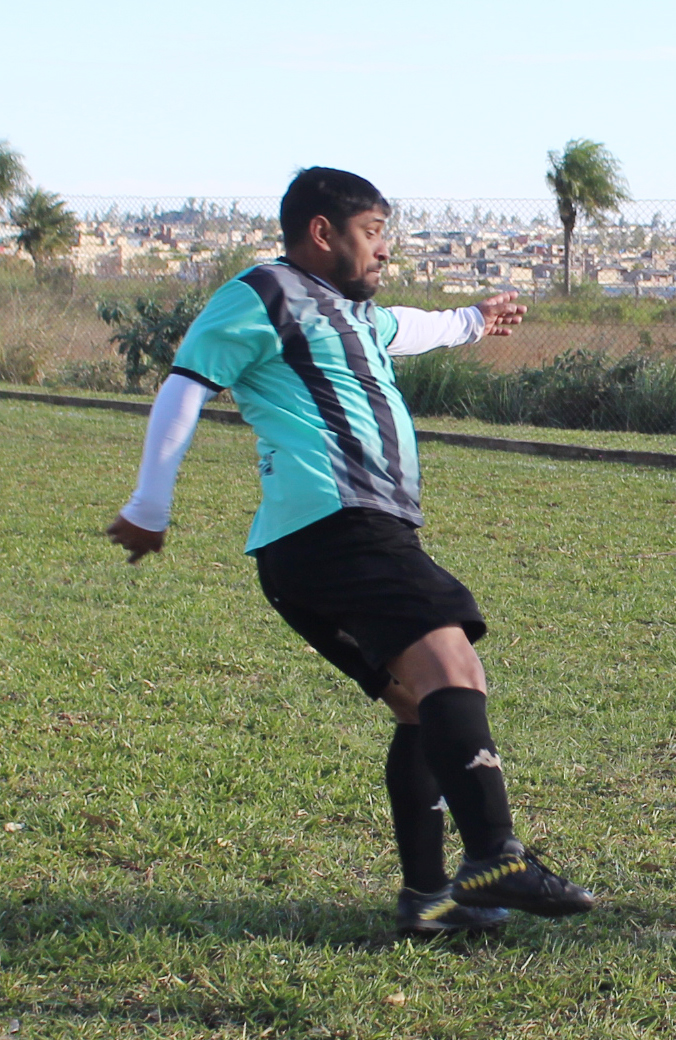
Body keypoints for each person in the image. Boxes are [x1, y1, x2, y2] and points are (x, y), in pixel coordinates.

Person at [106, 167, 596, 935]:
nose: (384, 251)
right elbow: (187, 383)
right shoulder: (263, 293)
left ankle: (429, 899)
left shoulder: (353, 313)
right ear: (320, 232)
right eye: (371, 234)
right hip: (339, 526)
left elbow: (409, 325)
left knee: (420, 707)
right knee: (454, 669)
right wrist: (149, 504)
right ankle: (495, 854)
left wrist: (473, 320)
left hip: (309, 551)